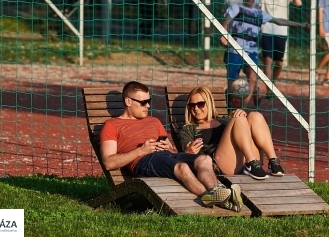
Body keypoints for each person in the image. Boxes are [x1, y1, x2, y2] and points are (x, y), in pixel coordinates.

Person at [99, 81, 243, 212]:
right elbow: (108, 162)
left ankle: (217, 192)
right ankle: (209, 196)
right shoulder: (112, 125)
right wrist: (141, 150)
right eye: (143, 102)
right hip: (143, 161)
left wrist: (170, 148)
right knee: (182, 167)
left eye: (149, 101)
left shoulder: (154, 121)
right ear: (128, 101)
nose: (148, 106)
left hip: (165, 156)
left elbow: (172, 153)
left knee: (205, 159)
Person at [221, 0, 309, 107]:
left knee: (253, 77)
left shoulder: (259, 14)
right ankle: (230, 106)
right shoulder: (236, 8)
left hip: (251, 52)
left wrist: (300, 24)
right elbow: (225, 22)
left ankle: (243, 109)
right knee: (232, 83)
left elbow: (278, 21)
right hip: (234, 51)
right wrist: (225, 35)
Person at [180, 86, 285, 180]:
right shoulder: (188, 129)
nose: (196, 108)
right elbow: (182, 158)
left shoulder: (225, 119)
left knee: (254, 115)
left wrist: (242, 115)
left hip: (246, 159)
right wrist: (187, 152)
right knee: (238, 119)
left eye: (200, 104)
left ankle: (273, 161)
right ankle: (251, 163)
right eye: (192, 105)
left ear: (209, 103)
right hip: (221, 164)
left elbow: (244, 129)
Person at [257, 0, 302, 98]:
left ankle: (272, 82)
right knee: (267, 61)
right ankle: (269, 90)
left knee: (279, 63)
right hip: (266, 30)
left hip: (281, 32)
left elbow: (299, 3)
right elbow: (254, 4)